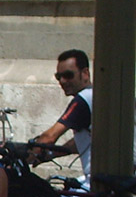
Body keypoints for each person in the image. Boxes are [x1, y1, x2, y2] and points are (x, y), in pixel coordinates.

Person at [32, 48, 92, 180]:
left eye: (68, 75)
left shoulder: (82, 100)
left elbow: (50, 136)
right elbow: (82, 142)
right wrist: (51, 154)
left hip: (97, 183)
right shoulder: (95, 96)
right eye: (58, 77)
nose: (62, 81)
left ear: (85, 73)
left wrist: (27, 155)